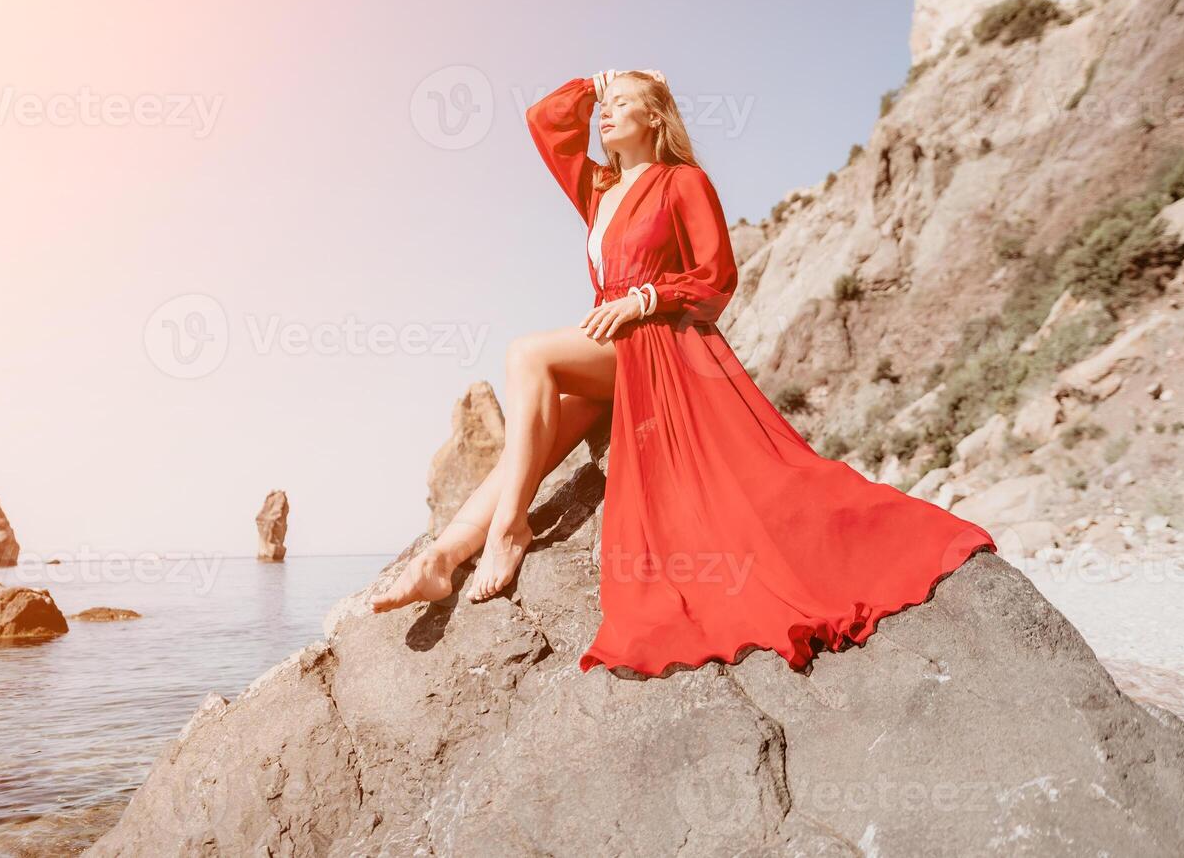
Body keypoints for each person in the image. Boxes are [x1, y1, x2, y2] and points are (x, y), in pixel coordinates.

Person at [371, 70, 997, 678]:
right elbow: (544, 123)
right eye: (605, 105)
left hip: (665, 344)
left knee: (527, 354)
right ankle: (445, 555)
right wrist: (597, 81)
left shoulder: (682, 181)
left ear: (655, 117)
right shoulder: (598, 186)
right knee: (543, 426)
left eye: (622, 103)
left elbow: (716, 277)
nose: (607, 114)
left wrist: (644, 299)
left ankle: (509, 529)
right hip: (614, 348)